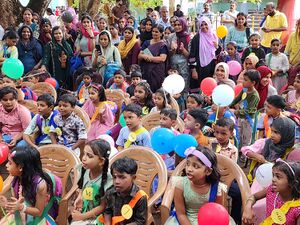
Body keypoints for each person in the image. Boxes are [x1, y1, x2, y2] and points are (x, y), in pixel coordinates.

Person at [165, 146, 227, 225]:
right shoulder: (180, 185)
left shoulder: (216, 189)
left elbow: (218, 213)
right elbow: (181, 213)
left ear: (208, 171)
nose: (189, 169)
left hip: (209, 221)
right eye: (187, 164)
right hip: (184, 219)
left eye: (195, 166)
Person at [0, 146, 61, 224]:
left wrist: (20, 207)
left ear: (20, 167)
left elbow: (39, 212)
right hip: (20, 215)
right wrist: (7, 205)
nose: (6, 165)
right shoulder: (15, 178)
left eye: (10, 163)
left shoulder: (40, 184)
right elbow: (18, 203)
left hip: (38, 219)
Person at [243, 160, 300, 225]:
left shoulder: (297, 208)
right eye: (273, 175)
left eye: (278, 177)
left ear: (292, 182)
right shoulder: (271, 190)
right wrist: (247, 208)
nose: (273, 179)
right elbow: (254, 197)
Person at [70, 139, 113, 224]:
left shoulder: (108, 179)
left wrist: (82, 217)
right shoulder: (85, 170)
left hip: (100, 217)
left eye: (89, 156)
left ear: (101, 161)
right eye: (84, 154)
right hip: (86, 211)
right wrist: (80, 197)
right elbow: (83, 187)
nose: (84, 158)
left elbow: (102, 207)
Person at [242, 116, 295, 184]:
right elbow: (245, 150)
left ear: (286, 134)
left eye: (276, 132)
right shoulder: (265, 143)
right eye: (271, 131)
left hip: (277, 184)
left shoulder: (290, 152)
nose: (272, 135)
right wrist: (256, 156)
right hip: (259, 179)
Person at [103, 157, 148, 224]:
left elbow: (140, 221)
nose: (117, 181)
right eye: (114, 177)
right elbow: (107, 211)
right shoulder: (110, 192)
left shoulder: (140, 198)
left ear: (133, 178)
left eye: (122, 177)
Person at [231, 70, 260, 148]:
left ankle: (244, 157)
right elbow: (237, 99)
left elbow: (249, 111)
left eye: (245, 80)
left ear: (253, 83)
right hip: (241, 117)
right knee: (239, 135)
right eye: (243, 79)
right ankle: (239, 151)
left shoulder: (255, 95)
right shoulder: (244, 90)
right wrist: (229, 105)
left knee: (247, 139)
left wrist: (236, 112)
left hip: (248, 120)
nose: (243, 82)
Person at [189, 16, 218, 93]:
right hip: (199, 68)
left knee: (211, 88)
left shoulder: (214, 36)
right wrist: (193, 70)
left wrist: (217, 47)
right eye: (201, 25)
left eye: (206, 24)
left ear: (209, 24)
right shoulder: (196, 38)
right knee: (200, 89)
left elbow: (217, 54)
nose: (204, 26)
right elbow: (192, 55)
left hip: (211, 67)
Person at [41, 26, 74, 90]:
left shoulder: (67, 45)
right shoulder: (50, 45)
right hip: (55, 71)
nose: (58, 35)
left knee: (67, 88)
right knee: (56, 87)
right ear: (52, 35)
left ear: (62, 34)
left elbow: (72, 56)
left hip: (66, 70)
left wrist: (66, 57)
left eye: (59, 33)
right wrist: (44, 65)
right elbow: (46, 57)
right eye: (56, 34)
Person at [139, 24, 168, 92]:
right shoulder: (147, 43)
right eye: (153, 31)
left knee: (156, 90)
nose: (154, 33)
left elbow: (162, 59)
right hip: (145, 70)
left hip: (157, 71)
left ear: (161, 34)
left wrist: (149, 58)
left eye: (156, 32)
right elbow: (140, 56)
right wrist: (144, 56)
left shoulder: (162, 45)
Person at [167, 17, 190, 92]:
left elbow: (190, 55)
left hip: (184, 67)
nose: (177, 27)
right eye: (175, 25)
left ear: (183, 25)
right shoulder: (171, 36)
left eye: (179, 24)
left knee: (184, 86)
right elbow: (168, 54)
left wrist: (183, 49)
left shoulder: (188, 37)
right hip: (173, 65)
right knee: (174, 86)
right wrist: (172, 50)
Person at [285, 18, 300, 85]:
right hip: (290, 64)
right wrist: (288, 63)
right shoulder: (293, 35)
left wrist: (296, 66)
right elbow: (287, 51)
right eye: (298, 25)